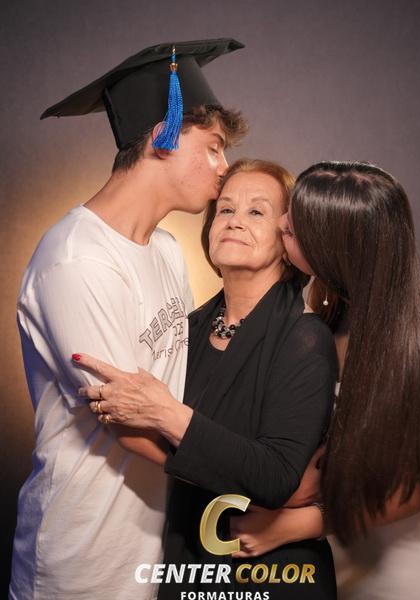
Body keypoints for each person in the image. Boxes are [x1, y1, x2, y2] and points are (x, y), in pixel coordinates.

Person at [10, 39, 247, 600]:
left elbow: (179, 394)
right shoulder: (77, 259)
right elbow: (132, 426)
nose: (224, 167)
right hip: (81, 558)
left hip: (151, 547)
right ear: (163, 136)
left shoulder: (165, 249)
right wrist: (251, 482)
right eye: (214, 148)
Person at [74, 158, 339, 599]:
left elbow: (275, 478)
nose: (235, 221)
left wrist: (166, 415)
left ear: (288, 238)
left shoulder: (305, 338)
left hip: (272, 576)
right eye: (226, 209)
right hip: (188, 560)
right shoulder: (187, 328)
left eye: (257, 211)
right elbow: (135, 428)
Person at [228, 161, 420, 600]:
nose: (282, 223)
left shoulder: (416, 344)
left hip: (394, 565)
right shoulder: (334, 300)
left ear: (336, 248)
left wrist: (294, 524)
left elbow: (412, 489)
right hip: (333, 551)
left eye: (296, 228)